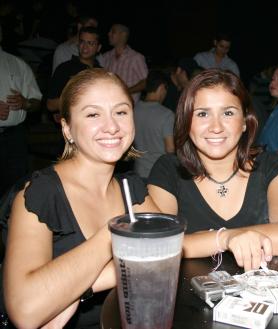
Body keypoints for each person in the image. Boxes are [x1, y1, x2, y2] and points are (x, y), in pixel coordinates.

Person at [1, 68, 159, 328]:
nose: (112, 126)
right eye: (93, 114)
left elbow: (170, 250)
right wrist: (115, 233)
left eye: (121, 112)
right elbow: (25, 311)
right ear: (67, 129)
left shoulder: (131, 188)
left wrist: (230, 236)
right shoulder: (41, 193)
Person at [147, 69, 278, 272]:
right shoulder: (168, 170)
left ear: (244, 122)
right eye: (202, 114)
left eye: (228, 113)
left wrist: (200, 241)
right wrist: (226, 239)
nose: (215, 127)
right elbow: (158, 246)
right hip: (186, 302)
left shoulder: (273, 166)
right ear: (186, 122)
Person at [0, 24, 42, 197]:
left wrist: (26, 103)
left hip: (14, 138)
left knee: (15, 190)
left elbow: (37, 101)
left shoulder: (17, 63)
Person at [47, 26, 102, 123]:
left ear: (98, 47)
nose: (85, 46)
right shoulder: (64, 69)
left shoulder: (102, 73)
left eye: (90, 43)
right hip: (73, 128)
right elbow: (50, 105)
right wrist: (77, 97)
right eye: (82, 42)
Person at [133, 69, 174, 179]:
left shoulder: (133, 111)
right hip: (160, 175)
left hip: (138, 172)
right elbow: (170, 149)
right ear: (161, 88)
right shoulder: (167, 115)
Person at [100, 23, 148, 103]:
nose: (109, 34)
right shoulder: (106, 57)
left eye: (113, 31)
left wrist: (125, 92)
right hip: (108, 104)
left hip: (128, 108)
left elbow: (146, 82)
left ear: (123, 34)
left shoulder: (135, 57)